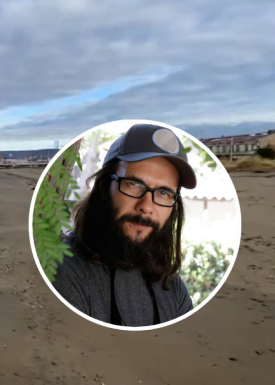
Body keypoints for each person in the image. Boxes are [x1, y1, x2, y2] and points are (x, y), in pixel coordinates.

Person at [53, 124, 197, 327]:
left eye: (164, 193)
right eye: (134, 184)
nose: (147, 207)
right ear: (103, 188)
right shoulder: (65, 273)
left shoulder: (171, 284)